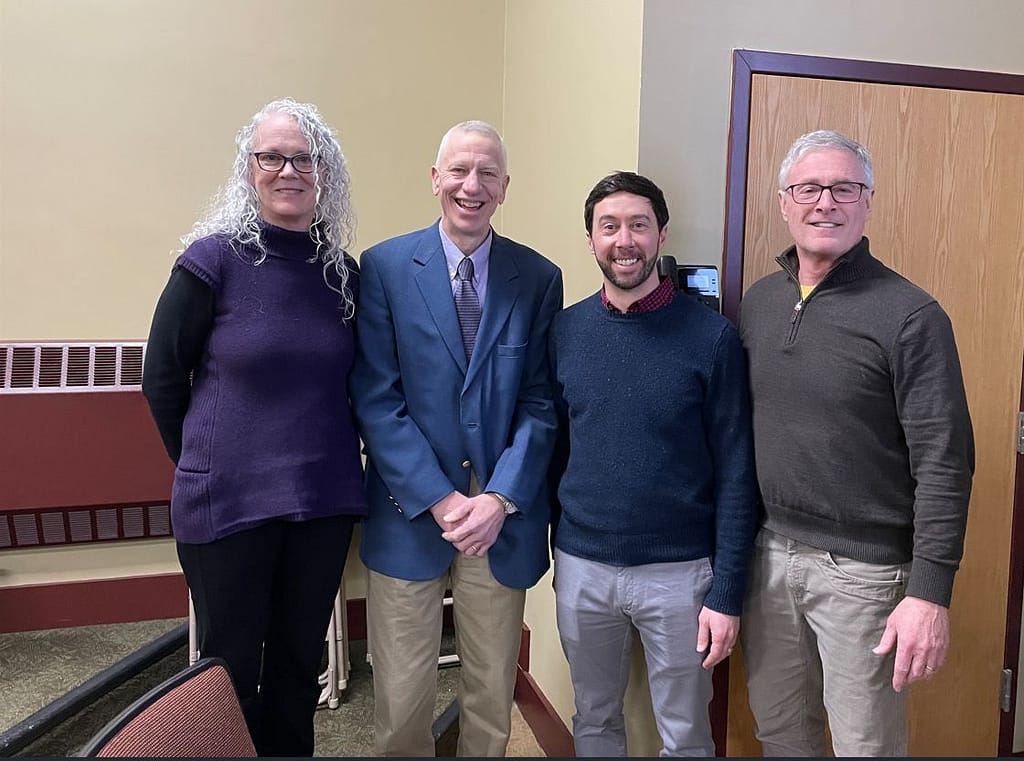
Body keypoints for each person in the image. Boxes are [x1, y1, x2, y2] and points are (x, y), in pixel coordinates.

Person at [738, 129, 975, 757]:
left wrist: (928, 592)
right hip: (767, 557)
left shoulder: (911, 316)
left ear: (867, 202)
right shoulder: (759, 303)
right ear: (785, 201)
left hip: (866, 575)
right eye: (810, 187)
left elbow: (945, 463)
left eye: (845, 188)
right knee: (781, 732)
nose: (826, 202)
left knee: (864, 745)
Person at [141, 98, 367, 757]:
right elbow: (162, 379)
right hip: (227, 507)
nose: (288, 169)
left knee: (299, 671)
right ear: (250, 170)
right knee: (229, 675)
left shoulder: (341, 276)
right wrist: (201, 464)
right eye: (272, 156)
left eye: (303, 157)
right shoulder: (211, 263)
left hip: (320, 505)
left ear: (323, 172)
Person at [349, 120, 563, 757]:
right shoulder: (385, 268)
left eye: (488, 174)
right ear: (435, 179)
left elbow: (541, 403)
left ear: (504, 188)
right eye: (460, 171)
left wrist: (497, 500)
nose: (473, 185)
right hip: (410, 508)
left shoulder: (538, 277)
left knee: (491, 687)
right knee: (402, 690)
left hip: (499, 517)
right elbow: (377, 400)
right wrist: (443, 499)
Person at [548, 171, 758, 757]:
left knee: (687, 735)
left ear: (661, 234)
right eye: (608, 226)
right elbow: (557, 450)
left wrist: (727, 592)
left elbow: (738, 470)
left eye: (638, 224)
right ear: (590, 238)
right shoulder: (566, 331)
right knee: (592, 719)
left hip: (682, 574)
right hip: (582, 565)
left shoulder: (711, 339)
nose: (624, 240)